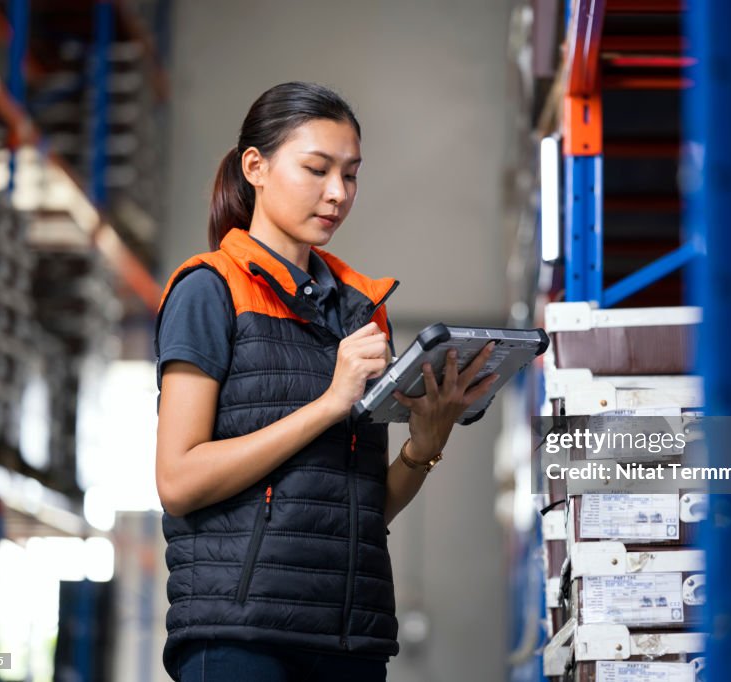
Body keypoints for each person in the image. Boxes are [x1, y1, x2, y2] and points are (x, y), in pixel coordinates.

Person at [153, 82, 498, 682]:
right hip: (240, 639)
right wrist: (331, 402)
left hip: (349, 641)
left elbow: (362, 509)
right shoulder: (209, 291)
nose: (337, 193)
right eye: (316, 169)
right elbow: (178, 481)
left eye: (351, 175)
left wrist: (426, 443)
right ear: (255, 168)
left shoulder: (363, 312)